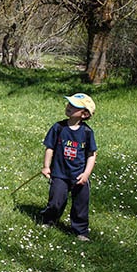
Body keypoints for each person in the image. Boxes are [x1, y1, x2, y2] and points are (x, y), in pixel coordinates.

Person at [40, 93, 97, 241]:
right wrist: (46, 166)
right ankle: (48, 220)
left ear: (84, 114)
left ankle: (81, 231)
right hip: (59, 173)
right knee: (56, 201)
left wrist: (86, 174)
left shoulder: (87, 132)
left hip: (79, 175)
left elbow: (92, 155)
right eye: (69, 104)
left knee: (81, 204)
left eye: (74, 106)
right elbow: (50, 148)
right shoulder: (58, 127)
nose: (69, 107)